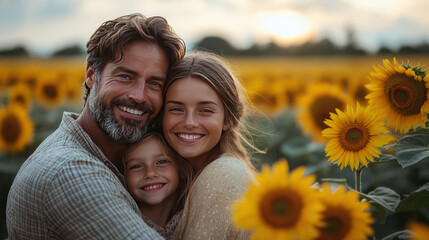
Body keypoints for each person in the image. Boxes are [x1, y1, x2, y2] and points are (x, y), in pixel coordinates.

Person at [6, 13, 186, 239]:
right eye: (125, 76)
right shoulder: (70, 172)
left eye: (154, 83)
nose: (139, 96)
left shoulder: (107, 155)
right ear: (91, 76)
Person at [161, 51, 259, 239]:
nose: (189, 122)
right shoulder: (178, 177)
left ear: (228, 119)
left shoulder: (223, 174)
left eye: (205, 110)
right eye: (176, 109)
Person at [123, 132, 193, 240]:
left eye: (161, 162)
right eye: (136, 166)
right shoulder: (121, 224)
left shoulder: (193, 220)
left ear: (181, 169)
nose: (150, 173)